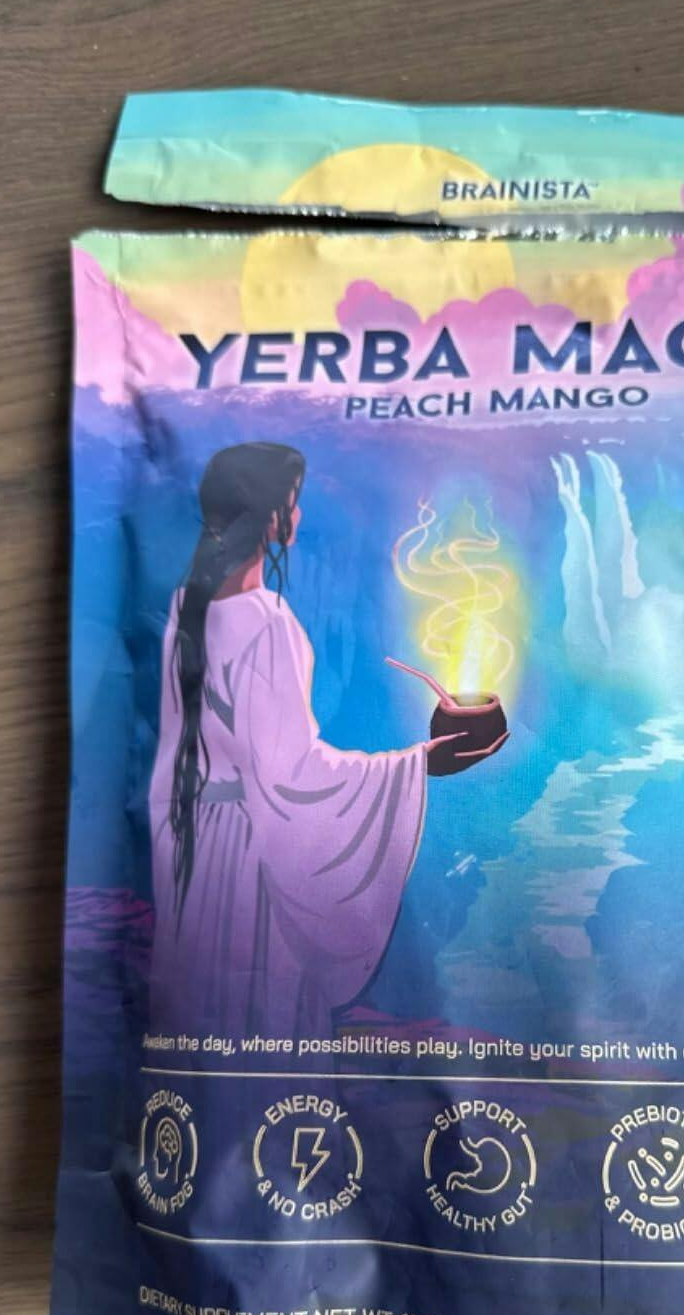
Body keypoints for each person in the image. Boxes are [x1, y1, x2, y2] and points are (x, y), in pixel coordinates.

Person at [147, 442, 500, 1039]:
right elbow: (292, 777)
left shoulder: (188, 606)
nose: (299, 515)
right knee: (259, 1017)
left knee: (204, 1016)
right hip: (248, 856)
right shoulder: (266, 624)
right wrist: (419, 765)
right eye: (292, 502)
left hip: (197, 843)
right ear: (269, 516)